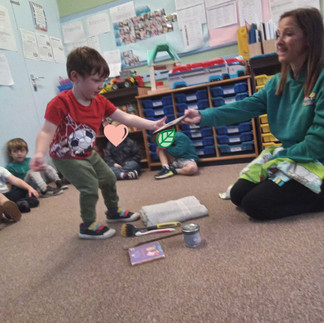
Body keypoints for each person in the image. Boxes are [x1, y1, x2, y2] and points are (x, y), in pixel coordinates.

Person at [183, 7, 324, 221]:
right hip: (292, 155)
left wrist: (277, 159)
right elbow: (244, 107)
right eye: (278, 34)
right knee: (238, 195)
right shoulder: (277, 83)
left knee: (256, 205)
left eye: (288, 33)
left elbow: (317, 143)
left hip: (317, 159)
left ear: (309, 39)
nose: (279, 41)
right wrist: (203, 116)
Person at [30, 46, 165, 240]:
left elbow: (125, 117)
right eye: (95, 80)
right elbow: (46, 132)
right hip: (65, 156)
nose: (101, 85)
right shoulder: (60, 103)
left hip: (87, 152)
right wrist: (39, 153)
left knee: (109, 178)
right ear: (75, 77)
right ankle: (87, 225)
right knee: (90, 185)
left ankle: (112, 212)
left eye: (103, 80)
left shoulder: (100, 101)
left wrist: (152, 124)